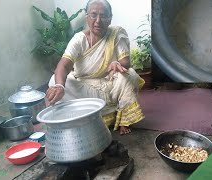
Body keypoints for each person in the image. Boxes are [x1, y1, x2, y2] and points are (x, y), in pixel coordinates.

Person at [45, 0, 145, 135]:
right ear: (87, 17)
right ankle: (83, 115)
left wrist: (117, 64)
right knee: (54, 81)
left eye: (103, 16)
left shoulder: (116, 33)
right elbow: (64, 64)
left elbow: (126, 62)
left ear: (110, 19)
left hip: (110, 85)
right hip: (84, 87)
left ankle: (122, 118)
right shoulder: (79, 39)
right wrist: (60, 87)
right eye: (93, 15)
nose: (98, 20)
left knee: (130, 75)